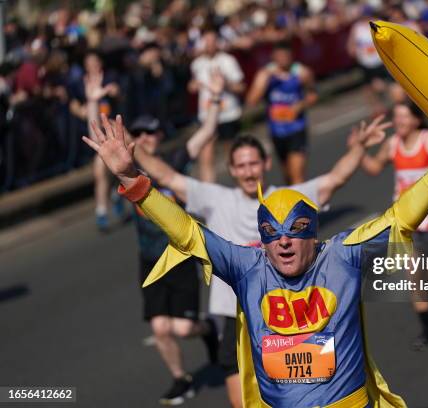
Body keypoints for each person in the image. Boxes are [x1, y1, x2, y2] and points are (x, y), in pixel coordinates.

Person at [83, 113, 428, 408]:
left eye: (295, 232)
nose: (283, 243)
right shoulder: (248, 267)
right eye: (272, 235)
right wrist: (131, 177)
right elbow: (186, 232)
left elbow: (401, 217)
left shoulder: (343, 255)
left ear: (314, 233)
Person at [132, 114, 391, 407]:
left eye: (253, 163)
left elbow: (335, 179)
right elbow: (166, 177)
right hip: (233, 315)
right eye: (240, 165)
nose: (248, 171)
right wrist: (130, 152)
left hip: (285, 315)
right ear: (231, 169)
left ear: (266, 164)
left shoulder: (288, 199)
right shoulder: (215, 199)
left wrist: (358, 148)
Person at [85, 73, 220, 407]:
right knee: (160, 328)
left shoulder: (173, 163)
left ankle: (207, 329)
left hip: (181, 255)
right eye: (139, 132)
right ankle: (181, 379)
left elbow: (206, 132)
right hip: (150, 259)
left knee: (184, 328)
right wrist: (93, 101)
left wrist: (215, 99)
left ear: (160, 135)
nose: (145, 137)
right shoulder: (127, 169)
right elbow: (102, 139)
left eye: (151, 132)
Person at [359, 100, 428, 349]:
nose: (399, 122)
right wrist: (360, 149)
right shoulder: (393, 143)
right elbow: (374, 168)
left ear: (416, 120)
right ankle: (427, 329)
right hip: (405, 222)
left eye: (404, 117)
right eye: (396, 117)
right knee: (414, 276)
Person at [246, 41, 318, 185]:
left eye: (285, 56)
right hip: (276, 131)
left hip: (297, 128)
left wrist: (301, 105)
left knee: (297, 174)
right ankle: (290, 203)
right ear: (273, 57)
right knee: (287, 175)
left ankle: (301, 207)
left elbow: (313, 95)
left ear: (291, 56)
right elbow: (251, 101)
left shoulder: (302, 73)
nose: (282, 59)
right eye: (279, 56)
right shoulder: (266, 74)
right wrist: (264, 82)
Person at [71, 50, 121, 231]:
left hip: (114, 131)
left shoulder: (109, 77)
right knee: (100, 171)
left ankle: (117, 193)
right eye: (88, 62)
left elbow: (117, 90)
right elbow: (73, 104)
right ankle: (101, 211)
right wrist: (82, 109)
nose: (92, 64)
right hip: (95, 134)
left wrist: (111, 91)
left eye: (95, 61)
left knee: (116, 170)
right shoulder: (80, 83)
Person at [190, 28, 245, 182]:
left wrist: (224, 83)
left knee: (233, 156)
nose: (209, 45)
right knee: (205, 156)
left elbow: (241, 87)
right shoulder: (197, 64)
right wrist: (193, 85)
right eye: (206, 42)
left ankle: (241, 189)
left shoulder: (228, 60)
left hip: (228, 114)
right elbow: (193, 84)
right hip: (207, 116)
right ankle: (209, 196)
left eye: (212, 41)